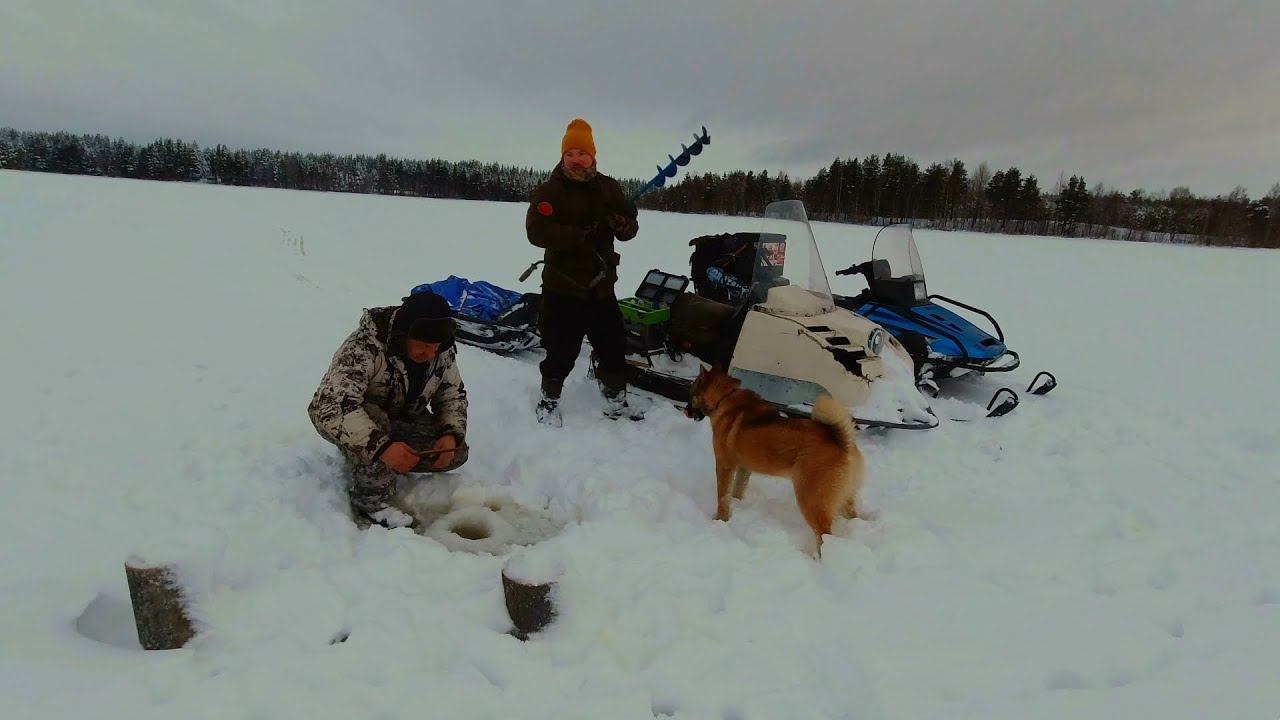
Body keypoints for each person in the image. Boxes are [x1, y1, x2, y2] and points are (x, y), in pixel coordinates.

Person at [308, 291, 468, 528]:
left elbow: (451, 393)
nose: (431, 354)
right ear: (404, 334)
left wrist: (450, 434)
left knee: (457, 453)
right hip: (357, 418)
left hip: (401, 416)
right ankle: (370, 501)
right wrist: (381, 448)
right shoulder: (364, 348)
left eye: (436, 347)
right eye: (424, 346)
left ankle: (382, 459)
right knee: (377, 424)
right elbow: (330, 406)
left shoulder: (440, 348)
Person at [525, 117, 641, 427]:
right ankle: (549, 400)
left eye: (582, 153)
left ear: (593, 156)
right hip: (564, 287)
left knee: (613, 346)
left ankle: (615, 399)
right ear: (563, 157)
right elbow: (536, 231)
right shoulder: (549, 191)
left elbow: (631, 225)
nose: (576, 159)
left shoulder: (609, 188)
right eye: (570, 154)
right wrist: (577, 235)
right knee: (560, 351)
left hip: (601, 287)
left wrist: (623, 226)